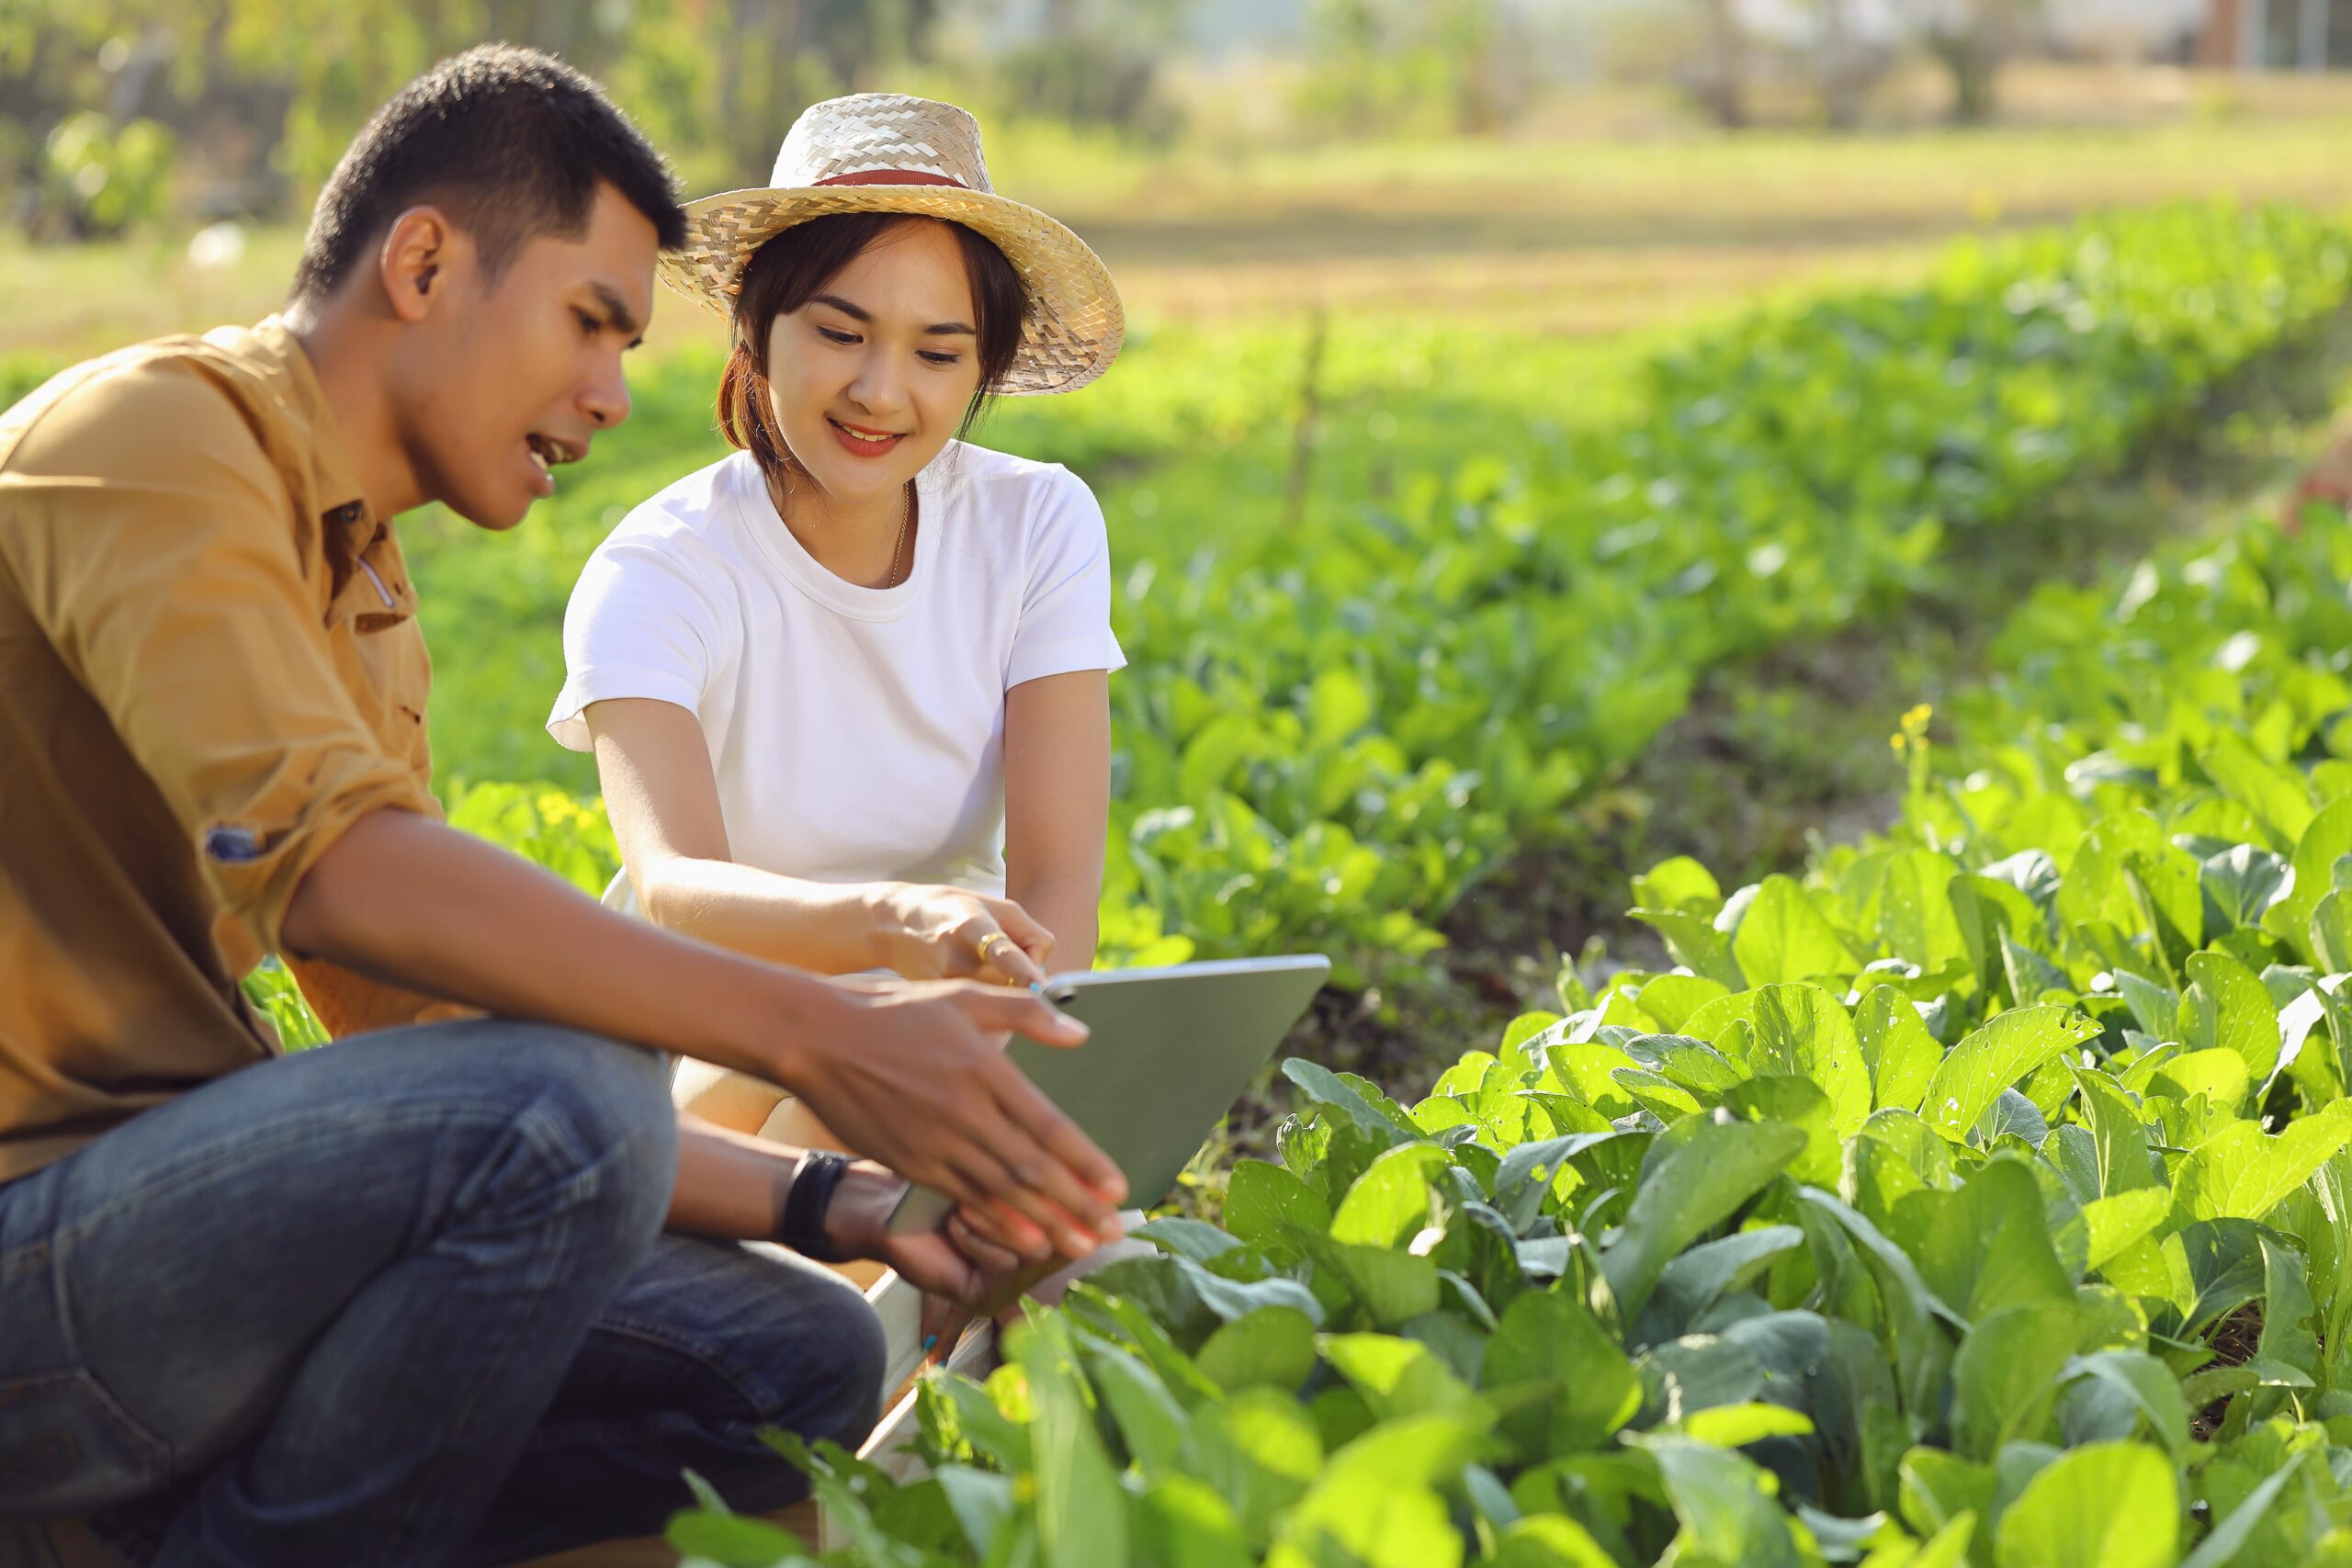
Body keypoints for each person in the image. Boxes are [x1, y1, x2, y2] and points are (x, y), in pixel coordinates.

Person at [0, 46, 1124, 1568]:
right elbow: (344, 878)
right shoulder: (146, 434)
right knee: (569, 1095)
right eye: (590, 324)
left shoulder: (364, 592)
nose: (610, 394)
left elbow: (405, 1035)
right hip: (46, 1245)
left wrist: (838, 1201)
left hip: (203, 1240)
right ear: (424, 262)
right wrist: (821, 1028)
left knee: (802, 1356)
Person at [547, 94, 1125, 1180]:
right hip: (709, 1039)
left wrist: (973, 1018)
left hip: (960, 1019)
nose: (879, 391)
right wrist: (891, 931)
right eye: (839, 332)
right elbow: (675, 891)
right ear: (754, 324)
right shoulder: (662, 566)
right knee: (869, 1099)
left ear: (984, 369)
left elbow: (1057, 890)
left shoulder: (1037, 524)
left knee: (924, 1113)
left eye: (937, 353)